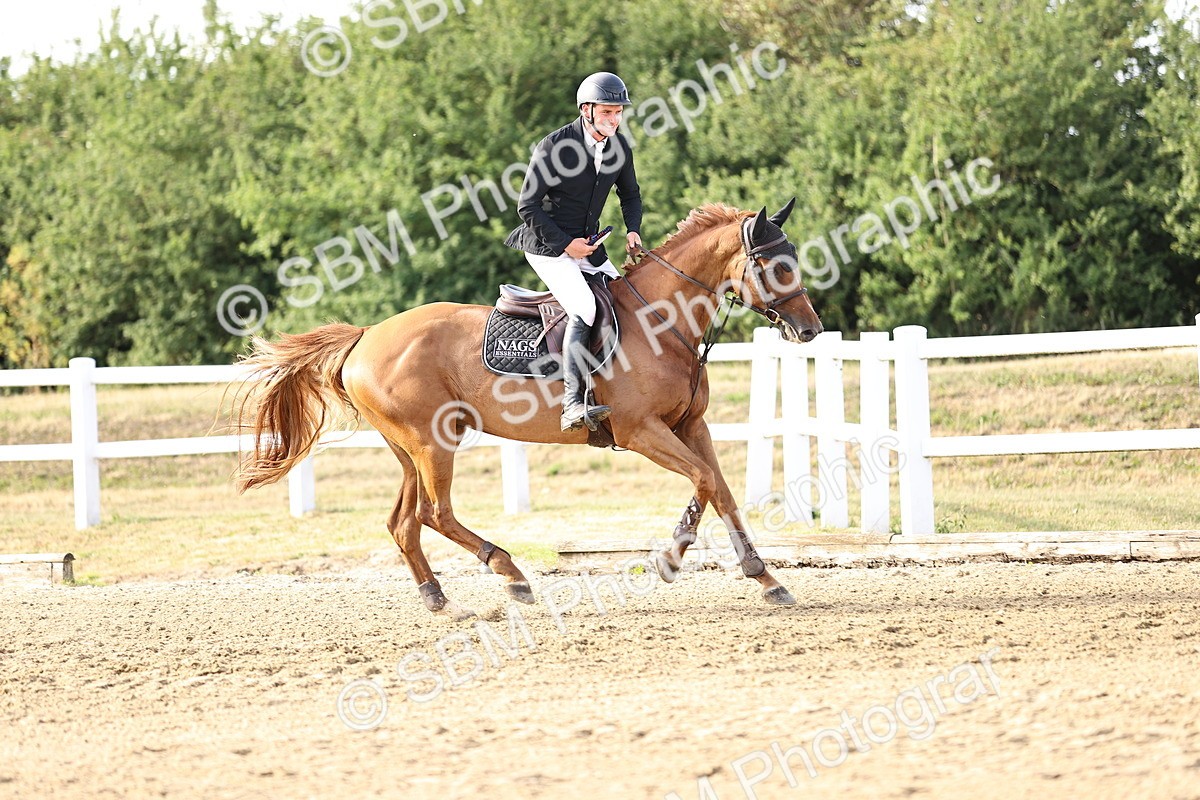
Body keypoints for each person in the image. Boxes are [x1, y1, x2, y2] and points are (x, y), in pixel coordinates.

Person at [504, 71, 643, 432]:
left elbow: (630, 195)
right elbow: (527, 207)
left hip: (588, 246)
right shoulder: (554, 147)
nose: (616, 120)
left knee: (628, 298)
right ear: (587, 110)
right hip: (547, 247)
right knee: (584, 306)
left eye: (619, 113)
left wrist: (633, 229)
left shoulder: (618, 147)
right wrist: (567, 245)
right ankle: (571, 405)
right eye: (609, 113)